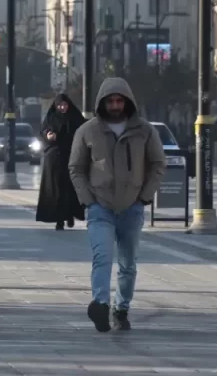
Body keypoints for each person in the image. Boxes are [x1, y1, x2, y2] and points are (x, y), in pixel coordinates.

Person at [69, 77, 166, 333]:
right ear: (102, 102)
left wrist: (145, 196)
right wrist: (87, 199)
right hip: (100, 206)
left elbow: (158, 164)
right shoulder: (87, 131)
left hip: (132, 207)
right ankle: (100, 305)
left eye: (119, 101)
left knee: (128, 263)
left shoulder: (144, 131)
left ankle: (121, 308)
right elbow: (76, 168)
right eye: (110, 101)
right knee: (102, 256)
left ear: (127, 102)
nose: (115, 105)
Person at [35, 93, 86, 230]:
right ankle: (59, 219)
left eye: (64, 104)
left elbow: (83, 132)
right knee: (56, 188)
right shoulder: (51, 118)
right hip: (54, 158)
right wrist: (48, 136)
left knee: (70, 188)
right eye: (59, 105)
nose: (62, 107)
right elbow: (43, 132)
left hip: (71, 156)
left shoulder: (75, 118)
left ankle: (69, 214)